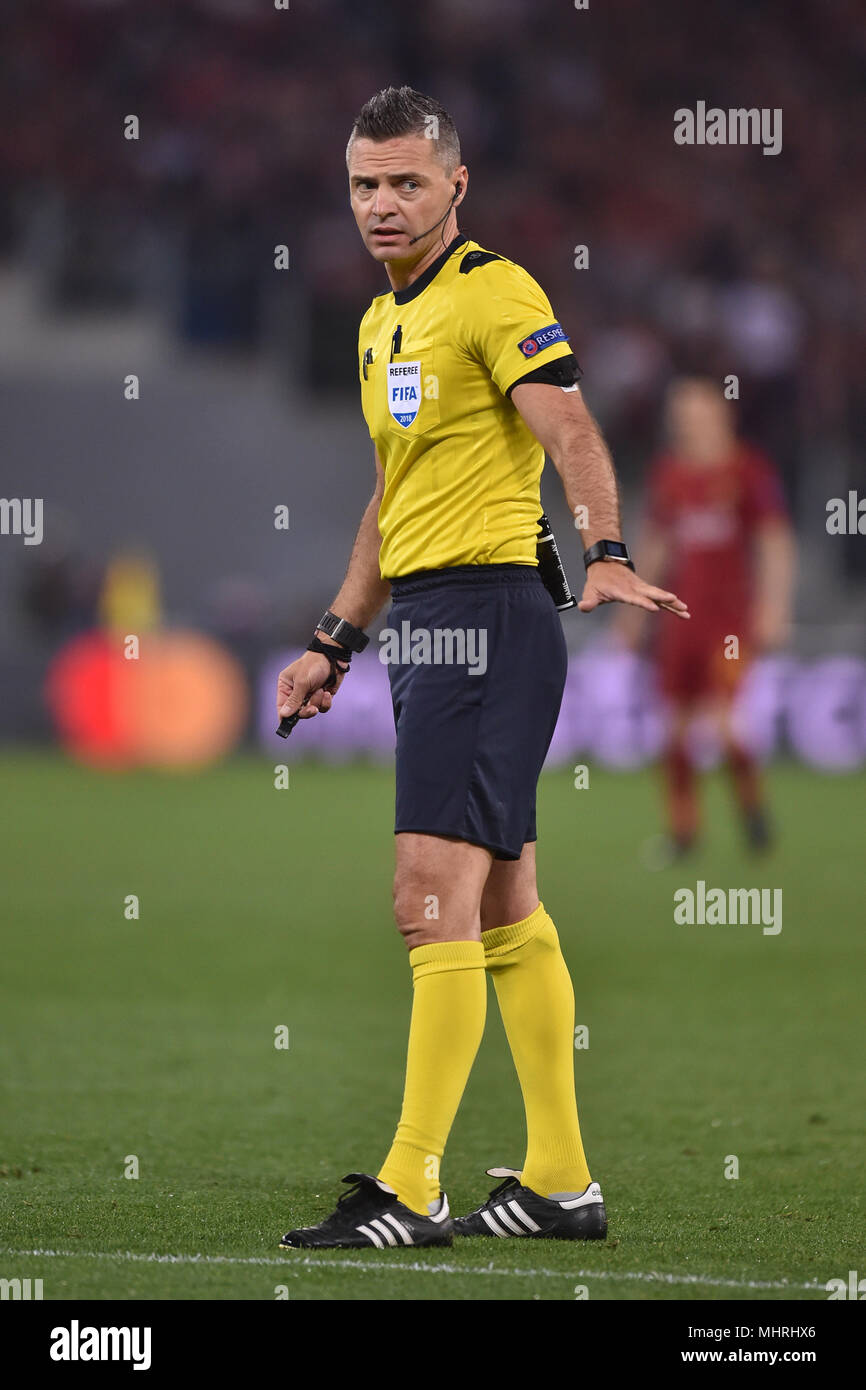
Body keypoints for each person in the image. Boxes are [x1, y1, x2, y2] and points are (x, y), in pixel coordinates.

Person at [275, 87, 688, 1249]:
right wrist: (331, 642)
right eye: (364, 184)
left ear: (456, 185)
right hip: (430, 621)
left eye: (406, 182)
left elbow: (567, 426)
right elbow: (389, 504)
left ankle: (412, 1187)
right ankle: (559, 1179)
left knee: (424, 901)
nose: (382, 205)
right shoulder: (375, 325)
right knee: (502, 901)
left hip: (489, 615)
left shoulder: (495, 292)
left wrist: (606, 548)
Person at [620, 376, 794, 862]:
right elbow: (657, 542)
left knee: (723, 724)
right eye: (679, 414)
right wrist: (635, 610)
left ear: (721, 413)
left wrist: (774, 606)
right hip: (680, 623)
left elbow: (775, 540)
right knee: (673, 728)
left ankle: (753, 813)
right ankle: (683, 833)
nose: (684, 422)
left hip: (730, 625)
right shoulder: (670, 474)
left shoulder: (747, 470)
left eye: (693, 412)